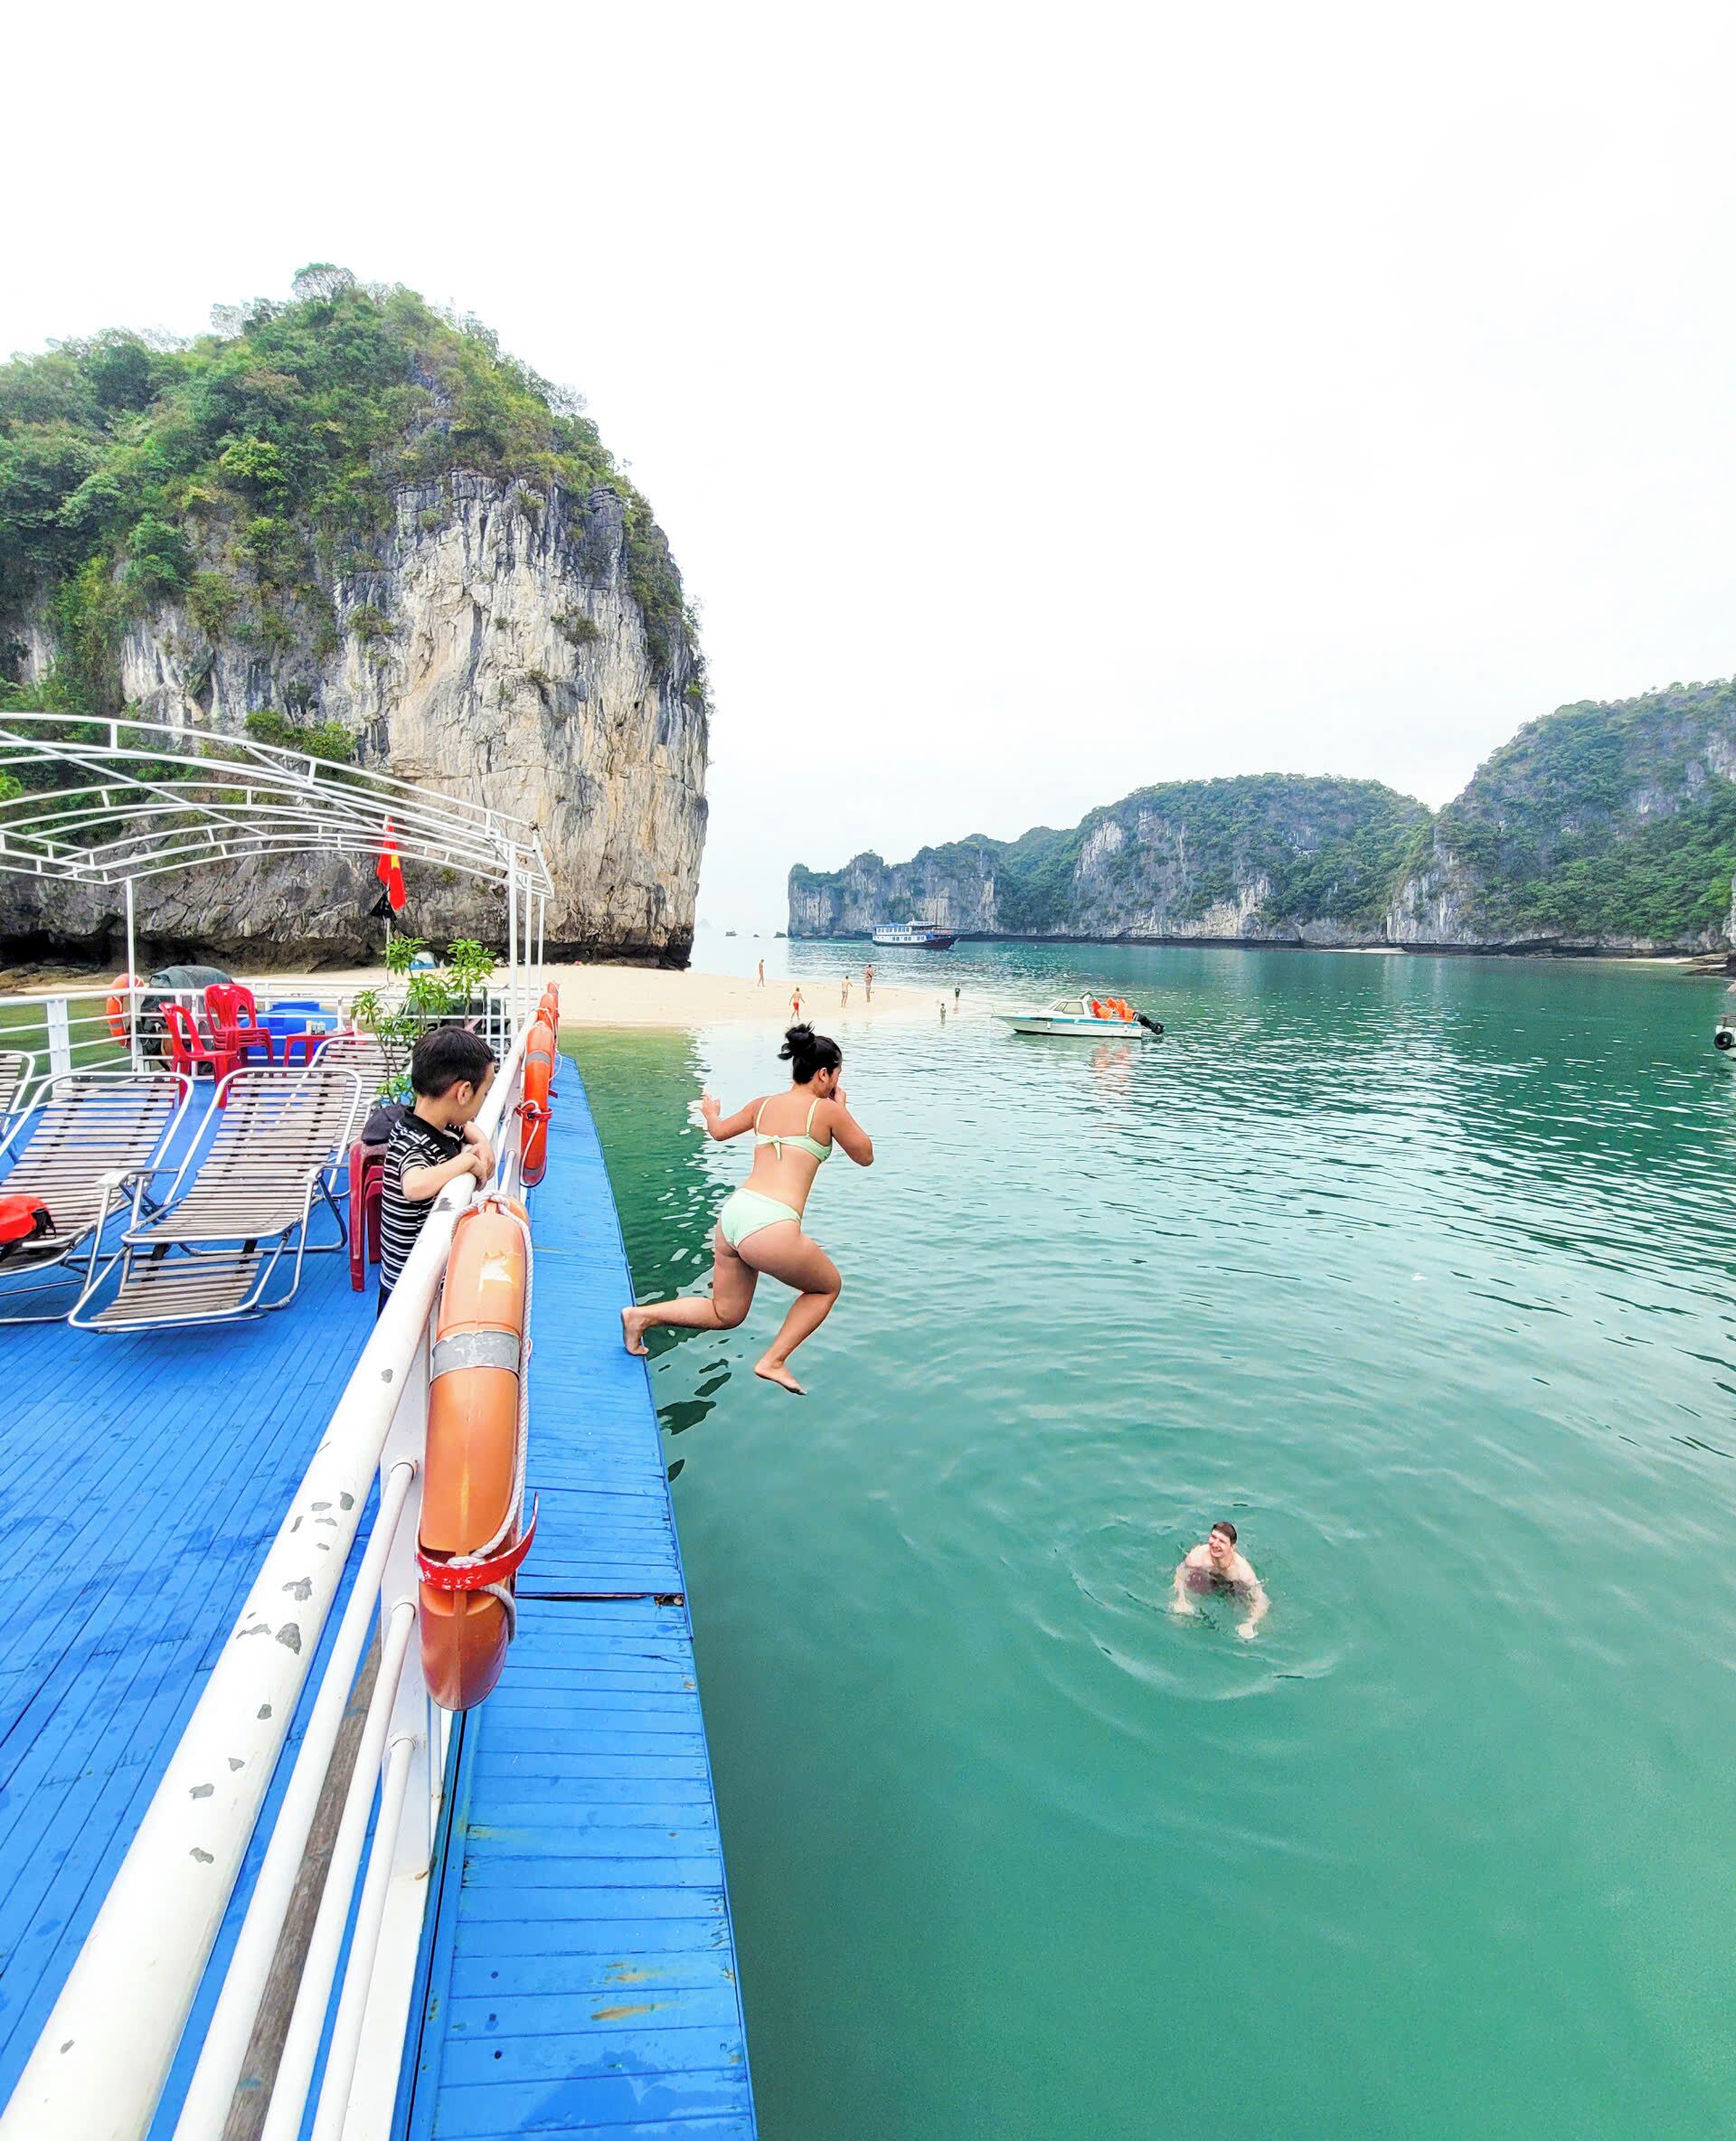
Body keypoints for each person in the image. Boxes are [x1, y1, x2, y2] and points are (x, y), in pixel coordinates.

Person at [621, 1023, 873, 1394]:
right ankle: (773, 1360)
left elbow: (719, 1132)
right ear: (824, 1075)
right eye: (836, 1074)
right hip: (771, 1222)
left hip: (735, 1215)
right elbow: (865, 1156)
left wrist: (710, 1112)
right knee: (826, 1288)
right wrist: (842, 1110)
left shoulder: (763, 1104)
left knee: (726, 1313)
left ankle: (640, 1316)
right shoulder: (827, 1111)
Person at [378, 1028, 496, 1317]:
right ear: (464, 1092)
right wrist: (467, 1162)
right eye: (485, 1093)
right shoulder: (413, 1142)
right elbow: (414, 1185)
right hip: (406, 1287)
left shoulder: (437, 1120)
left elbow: (465, 1126)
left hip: (428, 1274)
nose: (483, 1101)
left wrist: (481, 1143)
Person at [1171, 1521, 1269, 1640]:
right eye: (1213, 1537)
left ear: (1232, 1547)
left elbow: (1261, 1601)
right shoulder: (1198, 1556)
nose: (1215, 1544)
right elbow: (1180, 1574)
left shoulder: (1243, 1573)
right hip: (1207, 1576)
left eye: (1222, 1541)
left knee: (1239, 1601)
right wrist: (1181, 1599)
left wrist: (1250, 1623)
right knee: (1194, 1582)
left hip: (1233, 1584)